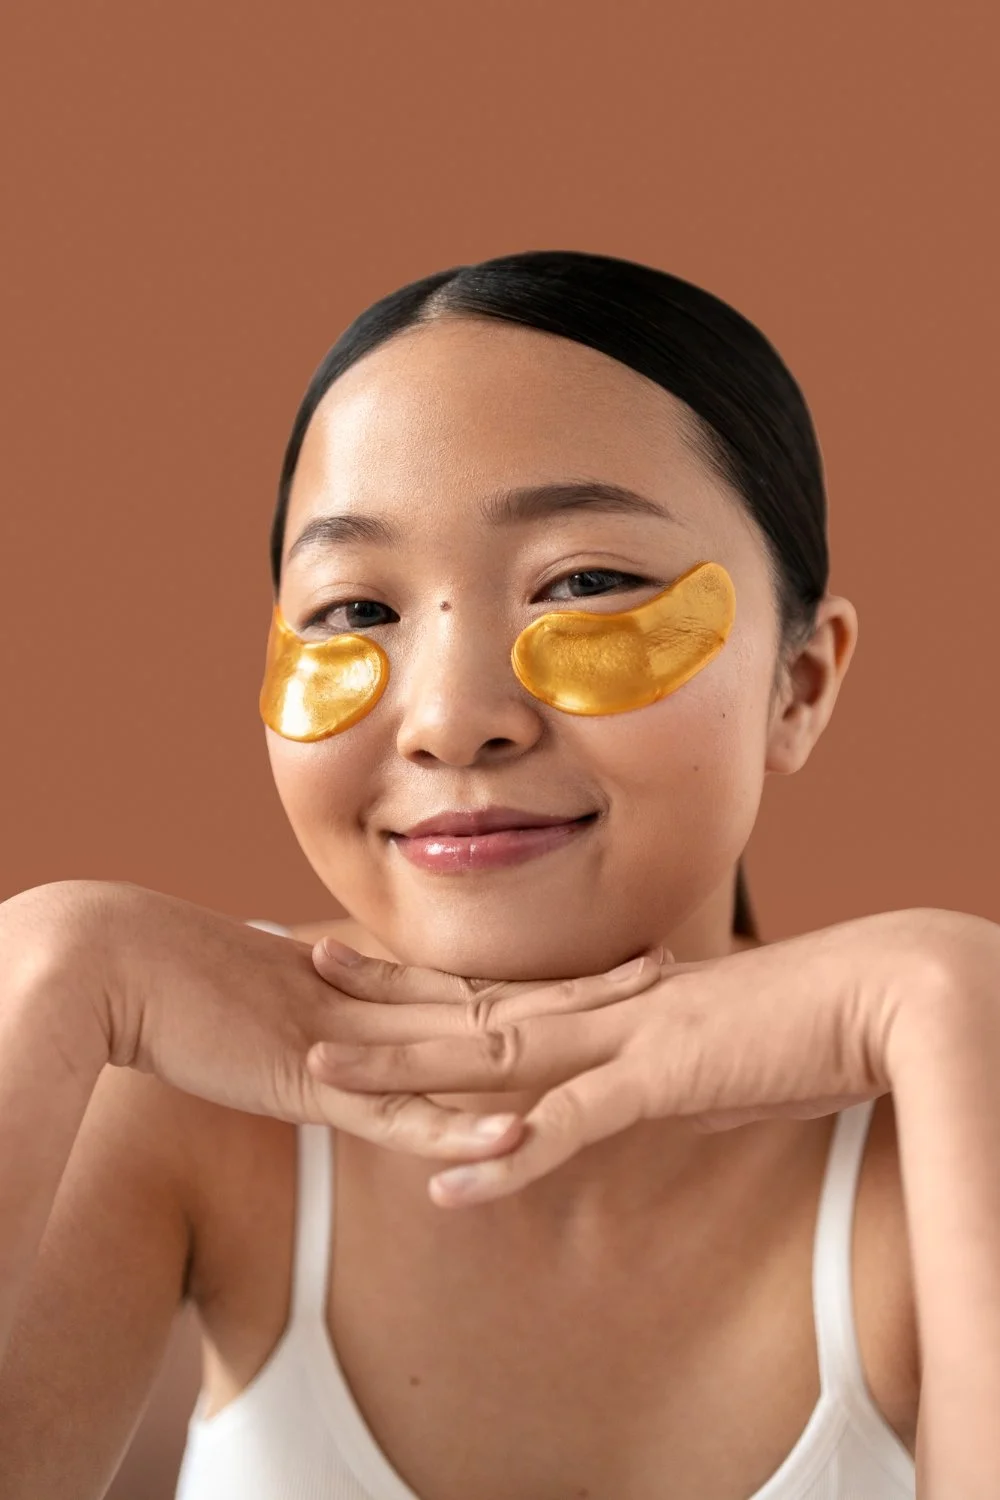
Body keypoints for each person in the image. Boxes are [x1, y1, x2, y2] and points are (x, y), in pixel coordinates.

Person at [5, 249, 996, 1498]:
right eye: (354, 609)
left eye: (585, 584)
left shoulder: (946, 1121)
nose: (451, 717)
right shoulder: (184, 1104)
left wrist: (954, 1003)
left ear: (799, 681)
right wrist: (48, 966)